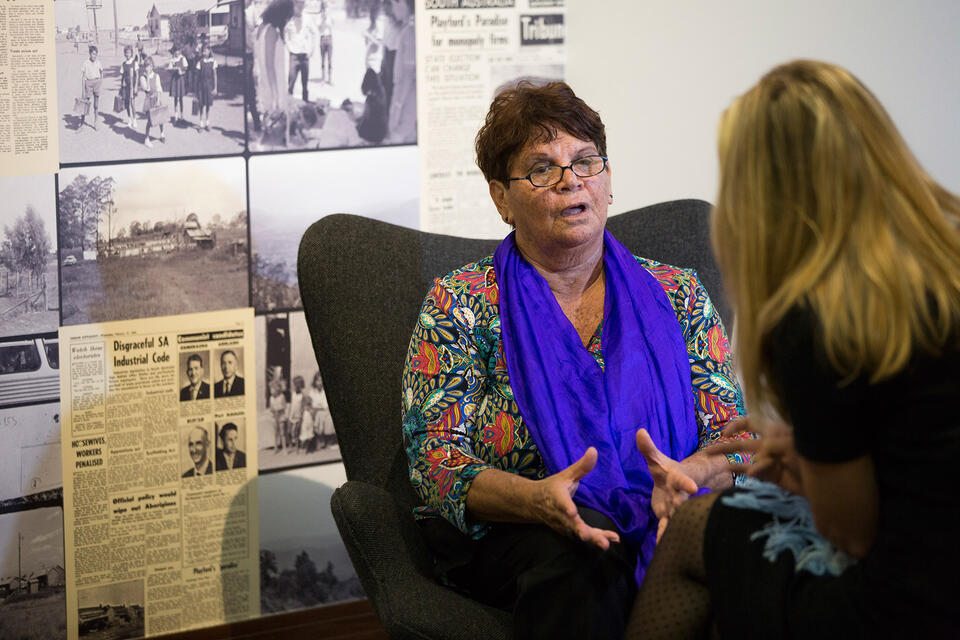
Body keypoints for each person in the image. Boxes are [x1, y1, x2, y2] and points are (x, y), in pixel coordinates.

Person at [626, 60, 960, 640]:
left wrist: (804, 468)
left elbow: (851, 532)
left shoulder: (821, 318)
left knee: (690, 531)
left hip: (909, 607)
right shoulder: (943, 263)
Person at [401, 81, 746, 639]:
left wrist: (692, 474)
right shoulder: (460, 302)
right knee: (587, 556)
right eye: (541, 168)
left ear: (607, 181)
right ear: (501, 199)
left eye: (585, 161)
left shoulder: (678, 293)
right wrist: (535, 500)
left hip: (673, 509)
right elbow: (433, 460)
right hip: (524, 529)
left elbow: (735, 437)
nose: (570, 181)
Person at [384, 0, 415, 143]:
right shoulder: (408, 29)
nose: (392, 9)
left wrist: (397, 106)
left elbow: (408, 76)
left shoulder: (409, 31)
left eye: (393, 3)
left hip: (406, 102)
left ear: (402, 3)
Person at [284, 0, 317, 102]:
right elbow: (284, 34)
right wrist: (289, 47)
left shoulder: (307, 18)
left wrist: (312, 49)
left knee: (305, 85)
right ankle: (288, 107)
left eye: (303, 4)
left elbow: (314, 32)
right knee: (291, 83)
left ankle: (305, 106)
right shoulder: (288, 18)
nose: (302, 6)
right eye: (300, 3)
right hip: (294, 56)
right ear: (295, 3)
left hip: (305, 56)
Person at [139, 56, 166, 148]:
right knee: (150, 121)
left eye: (150, 66)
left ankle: (162, 134)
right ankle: (146, 139)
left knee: (160, 118)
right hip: (149, 100)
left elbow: (159, 88)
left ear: (152, 66)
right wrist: (147, 77)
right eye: (146, 66)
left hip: (157, 98)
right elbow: (147, 88)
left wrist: (158, 99)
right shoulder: (142, 78)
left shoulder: (156, 76)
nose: (148, 68)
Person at [79, 45, 103, 130]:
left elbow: (101, 72)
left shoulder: (98, 63)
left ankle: (96, 122)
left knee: (96, 105)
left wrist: (100, 81)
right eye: (93, 54)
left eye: (96, 54)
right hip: (88, 83)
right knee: (85, 104)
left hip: (96, 83)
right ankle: (82, 123)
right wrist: (83, 90)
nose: (94, 56)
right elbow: (83, 77)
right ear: (89, 54)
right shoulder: (86, 63)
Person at [307, 372, 333, 450]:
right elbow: (310, 403)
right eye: (317, 381)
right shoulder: (312, 391)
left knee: (321, 415)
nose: (319, 383)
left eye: (321, 381)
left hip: (323, 411)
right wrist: (313, 408)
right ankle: (318, 439)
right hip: (314, 410)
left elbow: (325, 406)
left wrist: (317, 408)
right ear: (315, 381)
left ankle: (322, 439)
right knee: (310, 414)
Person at [196, 43, 218, 131]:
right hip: (201, 85)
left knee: (208, 104)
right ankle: (201, 123)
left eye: (206, 51)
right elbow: (197, 77)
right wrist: (196, 89)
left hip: (209, 85)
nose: (204, 52)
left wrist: (215, 88)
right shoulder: (200, 62)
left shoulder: (213, 62)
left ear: (209, 51)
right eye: (203, 51)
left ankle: (207, 122)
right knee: (201, 104)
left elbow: (215, 75)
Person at [119, 45, 139, 129]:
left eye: (129, 53)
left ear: (131, 53)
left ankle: (134, 119)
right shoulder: (123, 64)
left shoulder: (135, 63)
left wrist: (135, 86)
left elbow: (137, 75)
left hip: (132, 85)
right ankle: (129, 119)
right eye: (126, 53)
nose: (127, 54)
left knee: (132, 103)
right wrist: (122, 85)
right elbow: (122, 76)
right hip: (125, 86)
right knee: (127, 103)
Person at [167, 44, 188, 123]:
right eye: (175, 51)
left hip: (181, 79)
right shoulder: (172, 60)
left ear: (180, 51)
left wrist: (181, 71)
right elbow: (169, 69)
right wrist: (171, 69)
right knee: (175, 98)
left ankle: (182, 115)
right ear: (174, 52)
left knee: (181, 98)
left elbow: (185, 68)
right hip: (175, 80)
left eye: (178, 51)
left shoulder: (183, 58)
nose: (177, 52)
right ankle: (176, 115)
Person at [268, 374, 288, 452]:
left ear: (277, 389)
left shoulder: (282, 396)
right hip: (274, 417)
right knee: (275, 433)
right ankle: (275, 447)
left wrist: (279, 410)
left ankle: (284, 448)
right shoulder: (271, 398)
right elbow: (271, 408)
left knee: (282, 433)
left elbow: (285, 407)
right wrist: (273, 411)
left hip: (281, 416)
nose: (271, 391)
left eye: (272, 389)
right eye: (270, 390)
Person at [288, 375, 305, 452]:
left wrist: (301, 416)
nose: (296, 386)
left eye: (298, 385)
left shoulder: (302, 395)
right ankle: (290, 445)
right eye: (295, 384)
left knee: (297, 431)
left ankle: (297, 447)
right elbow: (290, 404)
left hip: (298, 415)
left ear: (301, 386)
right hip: (291, 415)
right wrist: (289, 414)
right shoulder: (292, 394)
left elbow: (302, 407)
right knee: (289, 431)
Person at [317, 4, 333, 84]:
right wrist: (322, 20)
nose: (325, 12)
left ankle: (330, 78)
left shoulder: (330, 18)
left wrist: (326, 19)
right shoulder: (319, 19)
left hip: (329, 38)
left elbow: (331, 27)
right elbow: (319, 28)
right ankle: (323, 78)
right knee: (323, 60)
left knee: (330, 60)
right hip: (322, 38)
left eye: (326, 10)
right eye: (324, 10)